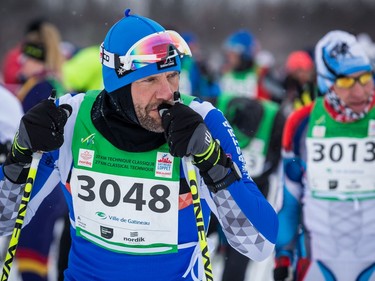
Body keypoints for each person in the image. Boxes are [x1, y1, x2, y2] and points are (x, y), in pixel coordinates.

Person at [0, 9, 278, 281]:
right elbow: (3, 220)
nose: (168, 93)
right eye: (150, 80)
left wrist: (213, 161)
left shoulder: (202, 123)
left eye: (172, 76)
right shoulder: (71, 120)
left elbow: (258, 243)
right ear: (118, 86)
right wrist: (19, 156)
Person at [274, 30, 375, 281]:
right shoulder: (301, 123)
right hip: (317, 262)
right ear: (326, 82)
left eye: (364, 78)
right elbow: (290, 199)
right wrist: (283, 254)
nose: (359, 91)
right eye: (345, 82)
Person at [12, 20, 68, 281]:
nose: (21, 62)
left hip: (41, 182)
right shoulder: (52, 83)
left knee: (32, 260)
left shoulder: (40, 87)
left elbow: (25, 133)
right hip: (50, 183)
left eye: (27, 57)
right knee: (34, 258)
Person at [215, 95, 285, 281]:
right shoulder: (216, 107)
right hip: (212, 186)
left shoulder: (275, 118)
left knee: (239, 255)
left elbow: (280, 160)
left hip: (251, 189)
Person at [218, 29, 271, 100]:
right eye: (228, 52)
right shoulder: (224, 74)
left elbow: (273, 104)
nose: (229, 57)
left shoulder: (260, 75)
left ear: (244, 55)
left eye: (233, 53)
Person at [280, 50, 317, 117]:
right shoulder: (288, 90)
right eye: (300, 71)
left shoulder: (315, 86)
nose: (305, 74)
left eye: (308, 70)